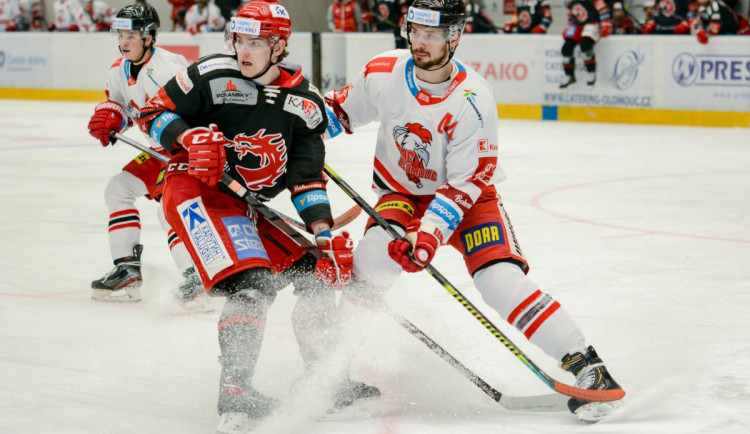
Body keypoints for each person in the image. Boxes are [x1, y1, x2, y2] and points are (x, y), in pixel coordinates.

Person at [323, 0, 624, 423]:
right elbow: (336, 115)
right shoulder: (382, 72)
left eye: (431, 35)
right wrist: (292, 127)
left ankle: (587, 366)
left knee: (500, 280)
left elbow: (465, 183)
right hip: (401, 194)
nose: (419, 43)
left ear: (454, 37)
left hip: (468, 200)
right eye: (415, 32)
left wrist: (427, 236)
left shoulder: (474, 99)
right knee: (371, 261)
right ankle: (332, 372)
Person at [136, 1, 378, 431]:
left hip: (245, 204)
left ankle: (322, 379)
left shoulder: (304, 104)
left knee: (317, 269)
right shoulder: (209, 76)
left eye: (257, 43)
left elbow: (306, 178)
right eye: (239, 40)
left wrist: (322, 231)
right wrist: (188, 137)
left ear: (280, 46)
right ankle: (236, 392)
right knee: (252, 285)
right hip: (195, 191)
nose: (243, 51)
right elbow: (152, 113)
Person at [86, 3, 206, 308]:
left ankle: (197, 275)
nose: (123, 41)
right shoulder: (118, 69)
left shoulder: (169, 69)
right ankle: (127, 268)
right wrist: (112, 117)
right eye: (120, 34)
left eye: (131, 35)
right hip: (160, 149)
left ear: (149, 36)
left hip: (189, 149)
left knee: (168, 209)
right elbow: (123, 107)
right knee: (118, 189)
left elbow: (202, 111)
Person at [559, 0, 612, 89]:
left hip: (592, 22)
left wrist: (606, 24)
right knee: (566, 48)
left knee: (585, 45)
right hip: (577, 24)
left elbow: (602, 9)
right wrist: (570, 26)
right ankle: (569, 76)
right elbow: (571, 15)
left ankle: (591, 73)